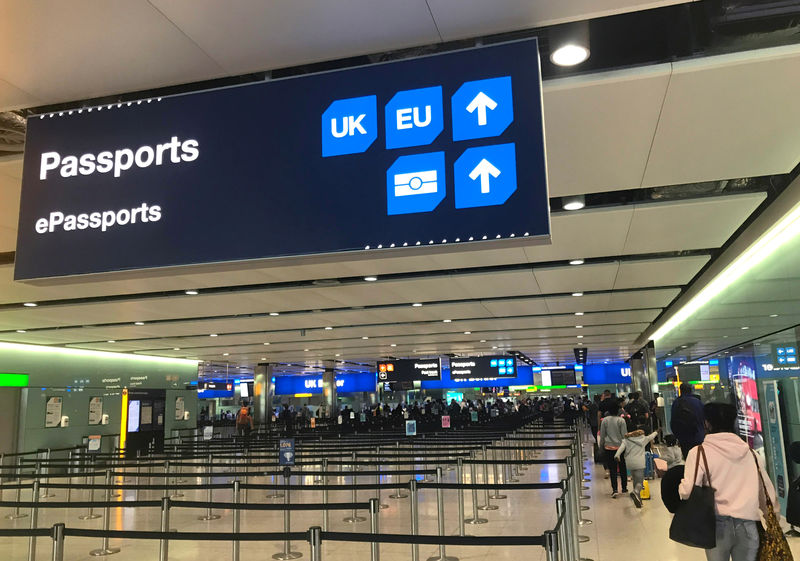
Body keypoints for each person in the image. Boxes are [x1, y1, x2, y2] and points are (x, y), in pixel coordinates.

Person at [679, 403, 777, 561]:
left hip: (716, 527)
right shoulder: (751, 454)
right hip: (748, 525)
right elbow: (766, 492)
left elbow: (687, 492)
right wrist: (773, 519)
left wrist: (680, 486)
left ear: (707, 423)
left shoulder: (698, 453)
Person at [615, 428, 658, 508]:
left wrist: (617, 455)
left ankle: (639, 501)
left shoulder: (626, 440)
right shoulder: (643, 439)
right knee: (640, 483)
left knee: (635, 481)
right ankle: (635, 492)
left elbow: (621, 448)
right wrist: (656, 432)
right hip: (639, 463)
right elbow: (651, 436)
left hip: (629, 463)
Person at [599, 402, 629, 498]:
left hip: (609, 448)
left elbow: (602, 435)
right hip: (620, 448)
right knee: (623, 467)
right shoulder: (621, 420)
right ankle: (624, 487)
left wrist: (601, 446)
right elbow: (625, 435)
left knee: (612, 469)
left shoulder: (605, 421)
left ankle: (615, 489)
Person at [671, 383, 706, 458]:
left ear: (681, 390)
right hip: (698, 436)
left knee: (688, 460)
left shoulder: (677, 403)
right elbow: (704, 419)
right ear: (691, 390)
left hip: (684, 438)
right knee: (700, 459)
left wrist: (677, 436)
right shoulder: (698, 402)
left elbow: (673, 422)